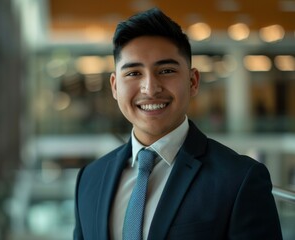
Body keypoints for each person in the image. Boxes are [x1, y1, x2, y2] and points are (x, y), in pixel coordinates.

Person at [73, 7, 282, 240]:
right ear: (114, 86)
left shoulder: (239, 179)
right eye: (133, 73)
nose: (150, 88)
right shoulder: (90, 178)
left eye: (166, 70)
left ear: (193, 81)